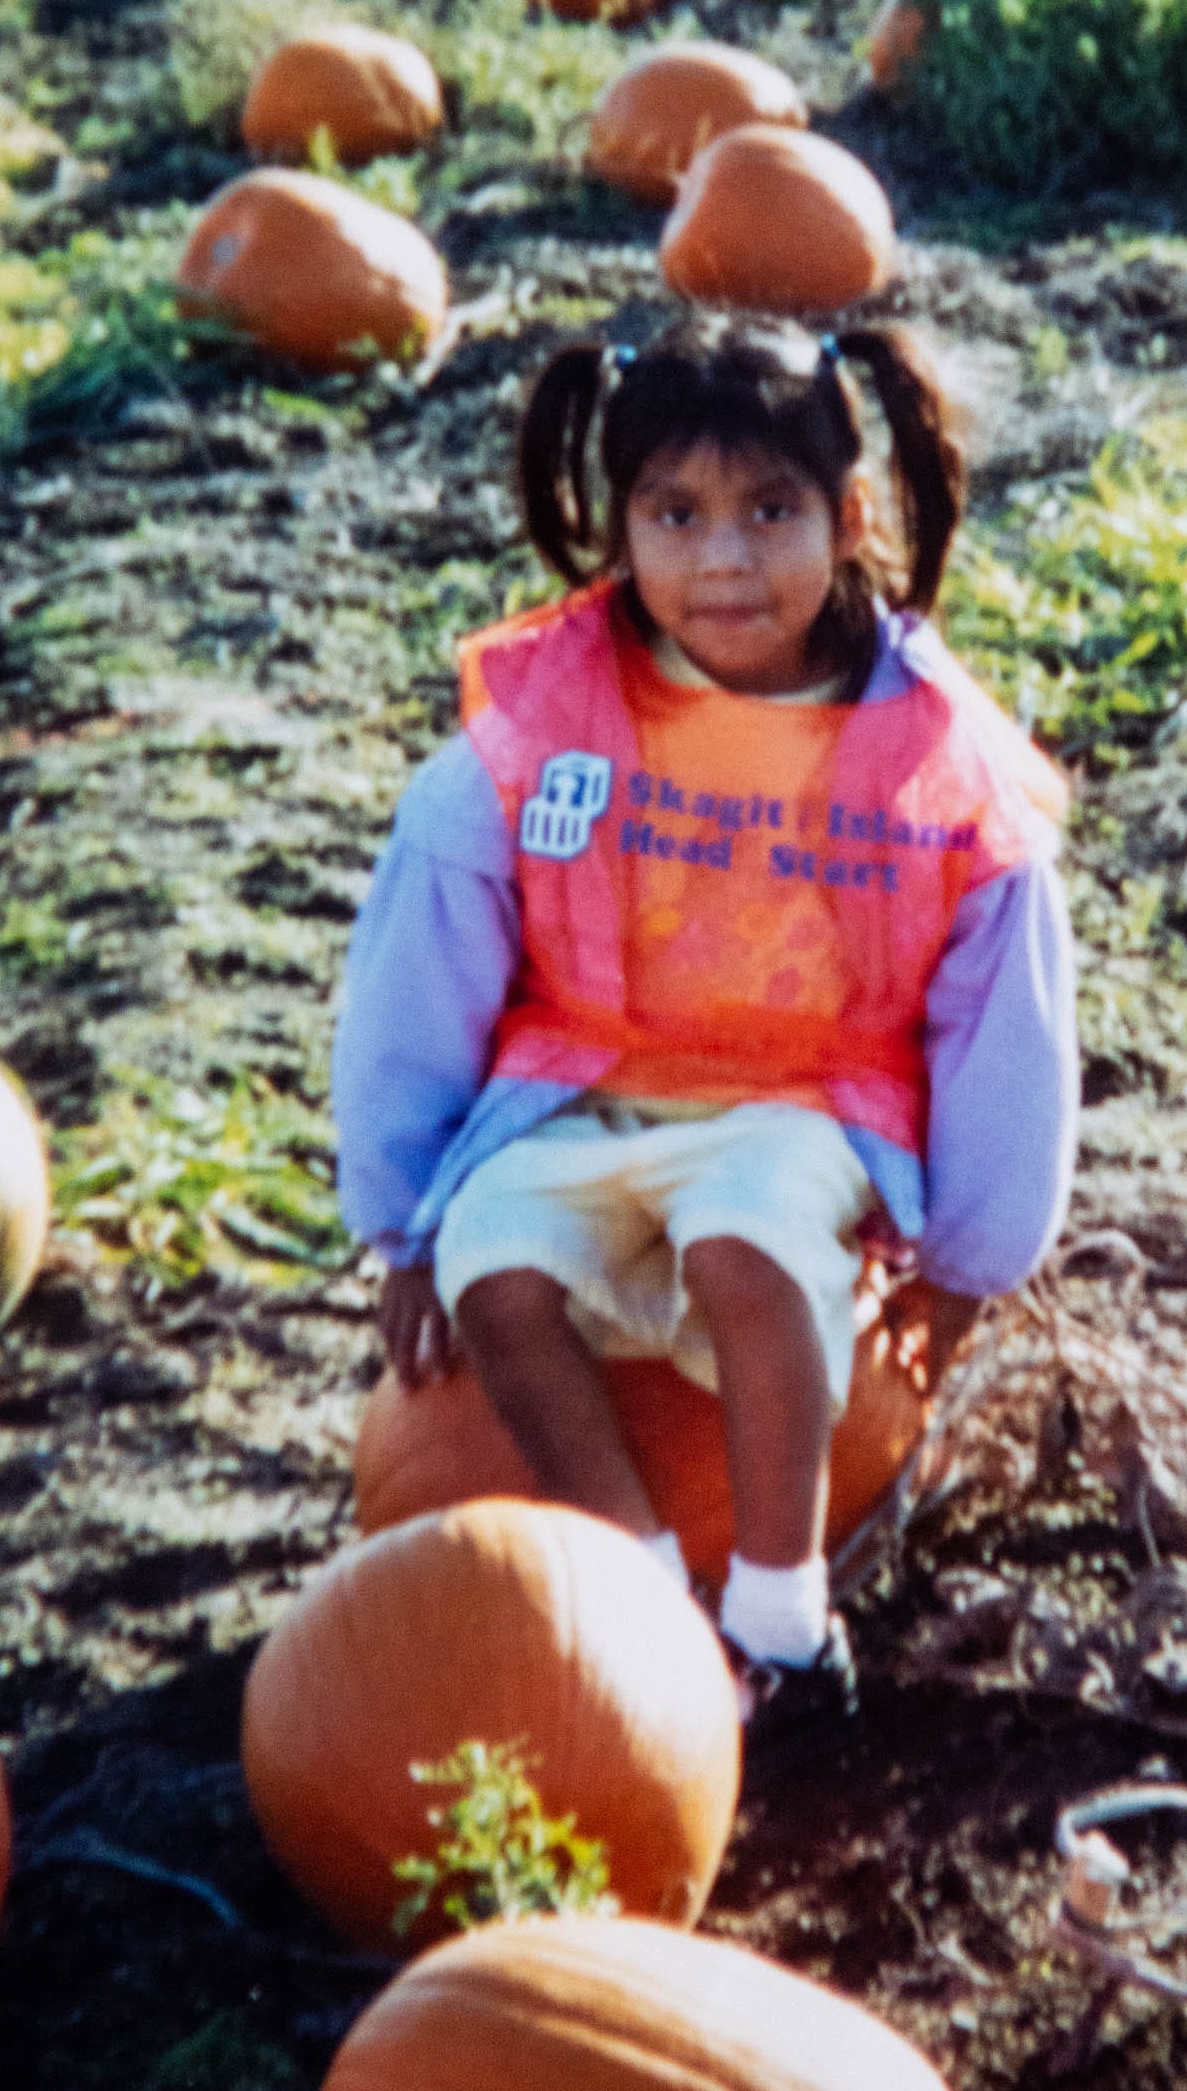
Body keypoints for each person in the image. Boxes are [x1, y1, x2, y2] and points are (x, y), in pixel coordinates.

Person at [332, 314, 1078, 1744]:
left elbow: (1007, 1024)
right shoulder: (546, 734)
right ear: (620, 531)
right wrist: (407, 1224)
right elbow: (419, 977)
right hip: (584, 1088)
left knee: (750, 1240)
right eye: (677, 515)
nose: (724, 559)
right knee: (501, 1264)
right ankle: (648, 1593)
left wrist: (972, 1264)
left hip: (802, 1101)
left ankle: (783, 1613)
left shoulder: (933, 761)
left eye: (770, 512)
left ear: (850, 518)